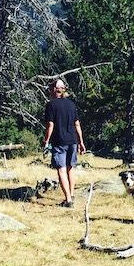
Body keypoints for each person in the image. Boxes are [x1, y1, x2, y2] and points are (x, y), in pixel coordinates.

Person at [43, 78, 86, 207]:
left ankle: (68, 200)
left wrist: (46, 141)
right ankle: (71, 195)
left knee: (61, 170)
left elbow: (50, 125)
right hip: (72, 140)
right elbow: (77, 124)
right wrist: (81, 142)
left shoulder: (51, 105)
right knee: (70, 169)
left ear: (53, 90)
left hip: (59, 141)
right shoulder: (71, 105)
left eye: (51, 89)